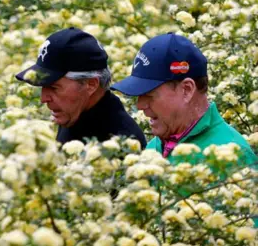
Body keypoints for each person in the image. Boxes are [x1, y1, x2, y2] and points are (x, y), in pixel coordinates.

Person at [111, 32, 258, 166]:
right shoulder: (154, 148)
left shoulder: (233, 157)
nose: (140, 105)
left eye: (149, 95)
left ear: (187, 89)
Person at [15, 27, 146, 147]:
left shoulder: (121, 144)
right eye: (43, 86)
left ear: (91, 85)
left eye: (54, 88)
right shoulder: (76, 114)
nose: (43, 98)